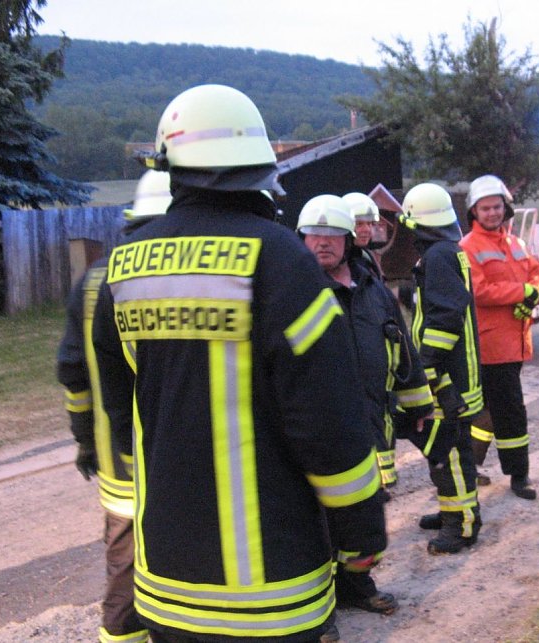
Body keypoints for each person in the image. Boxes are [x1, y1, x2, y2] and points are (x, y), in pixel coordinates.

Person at [92, 84, 386, 642]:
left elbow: (121, 411)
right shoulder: (283, 261)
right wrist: (361, 532)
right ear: (259, 169)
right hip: (274, 591)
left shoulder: (123, 268)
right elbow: (330, 424)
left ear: (170, 166)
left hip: (165, 588)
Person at [296, 194, 432, 626]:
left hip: (373, 425)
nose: (323, 243)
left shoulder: (373, 289)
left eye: (333, 234)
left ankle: (356, 586)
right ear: (300, 239)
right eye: (313, 235)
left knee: (366, 520)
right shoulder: (291, 293)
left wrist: (418, 405)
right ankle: (318, 612)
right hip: (315, 435)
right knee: (315, 525)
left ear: (349, 240)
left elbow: (402, 349)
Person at [56, 169, 170, 643]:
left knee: (124, 561)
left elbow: (74, 372)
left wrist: (86, 440)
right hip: (181, 457)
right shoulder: (196, 275)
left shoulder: (93, 280)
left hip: (118, 459)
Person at [398, 182, 483, 555]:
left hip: (448, 381)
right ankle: (455, 509)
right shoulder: (447, 252)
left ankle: (461, 525)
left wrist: (423, 364)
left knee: (449, 450)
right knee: (449, 450)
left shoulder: (438, 257)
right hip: (453, 376)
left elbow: (446, 318)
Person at [458, 175, 539, 500]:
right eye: (485, 208)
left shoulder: (515, 243)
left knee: (490, 411)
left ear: (505, 208)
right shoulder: (468, 247)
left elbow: (535, 271)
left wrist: (529, 297)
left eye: (496, 207)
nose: (492, 213)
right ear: (474, 212)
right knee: (510, 413)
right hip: (491, 347)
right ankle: (519, 476)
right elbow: (478, 290)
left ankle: (470, 466)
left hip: (515, 344)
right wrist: (521, 293)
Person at [342, 192, 383, 279]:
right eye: (359, 224)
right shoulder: (336, 265)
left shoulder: (366, 256)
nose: (367, 229)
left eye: (369, 223)